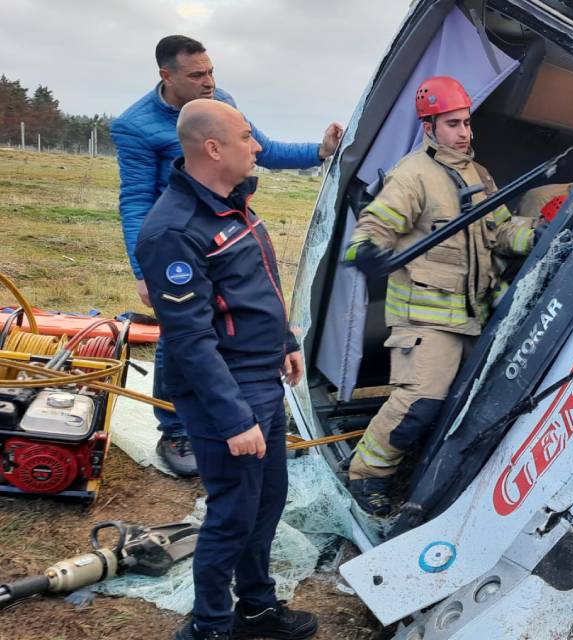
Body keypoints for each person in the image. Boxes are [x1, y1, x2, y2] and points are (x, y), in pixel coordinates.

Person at [111, 34, 342, 477]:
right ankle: (175, 427)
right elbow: (137, 199)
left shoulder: (221, 101)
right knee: (182, 332)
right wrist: (143, 271)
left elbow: (264, 150)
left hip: (224, 231)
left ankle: (248, 415)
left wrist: (319, 151)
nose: (209, 81)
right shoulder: (136, 125)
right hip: (179, 243)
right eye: (197, 74)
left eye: (211, 70)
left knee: (234, 323)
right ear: (167, 76)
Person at [136, 99, 318, 640]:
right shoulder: (173, 231)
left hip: (262, 380)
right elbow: (190, 340)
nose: (257, 146)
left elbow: (254, 285)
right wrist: (235, 419)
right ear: (213, 148)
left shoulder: (232, 204)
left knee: (266, 502)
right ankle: (209, 627)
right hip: (227, 395)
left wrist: (283, 339)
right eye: (247, 136)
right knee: (232, 514)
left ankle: (256, 608)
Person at [344, 76, 536, 516]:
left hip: (477, 314)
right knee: (419, 402)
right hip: (427, 321)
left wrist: (537, 232)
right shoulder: (413, 176)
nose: (464, 133)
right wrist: (367, 252)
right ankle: (367, 475)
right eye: (452, 124)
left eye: (467, 122)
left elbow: (502, 231)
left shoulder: (478, 174)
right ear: (429, 127)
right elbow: (372, 230)